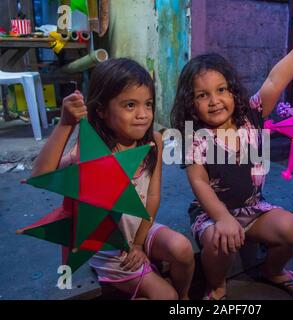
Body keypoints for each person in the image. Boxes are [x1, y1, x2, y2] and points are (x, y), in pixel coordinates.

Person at [171, 19, 293, 300]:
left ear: (233, 91)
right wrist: (222, 218)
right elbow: (199, 183)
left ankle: (274, 271)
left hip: (254, 208)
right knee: (217, 242)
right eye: (203, 95)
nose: (214, 100)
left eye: (221, 90)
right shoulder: (196, 137)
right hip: (211, 216)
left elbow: (277, 77)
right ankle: (216, 287)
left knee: (292, 229)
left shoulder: (251, 116)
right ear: (191, 103)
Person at [32, 58, 195, 300]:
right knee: (164, 296)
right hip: (108, 245)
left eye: (148, 104)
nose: (143, 114)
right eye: (130, 105)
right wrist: (66, 123)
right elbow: (41, 175)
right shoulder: (92, 151)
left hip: (141, 229)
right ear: (101, 110)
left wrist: (139, 243)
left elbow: (153, 195)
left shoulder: (154, 141)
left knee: (183, 249)